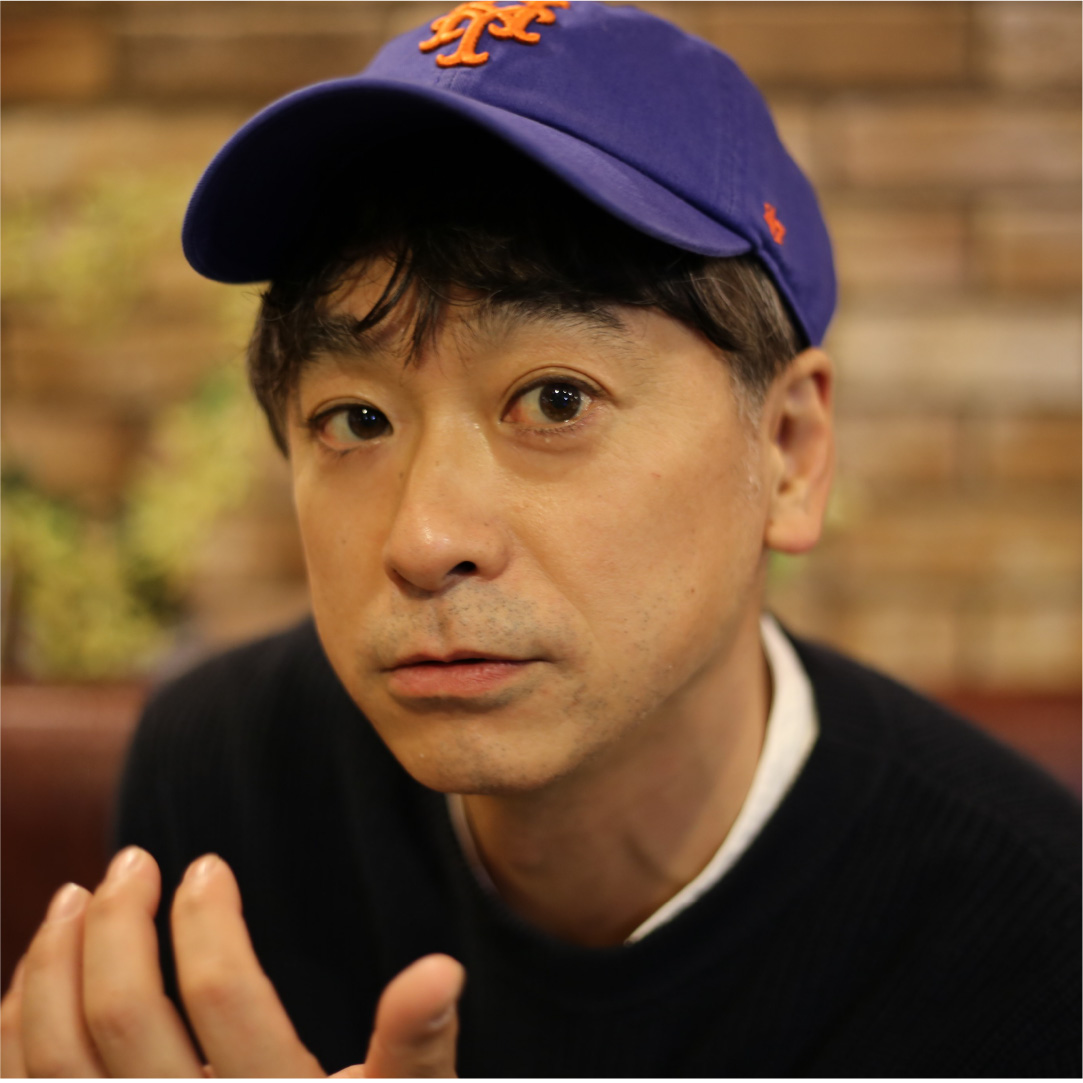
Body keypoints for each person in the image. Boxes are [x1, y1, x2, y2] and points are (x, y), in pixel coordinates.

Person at [2, 3, 1079, 1077]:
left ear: (788, 451)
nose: (425, 539)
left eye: (556, 399)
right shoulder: (228, 768)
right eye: (356, 420)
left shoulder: (1026, 933)